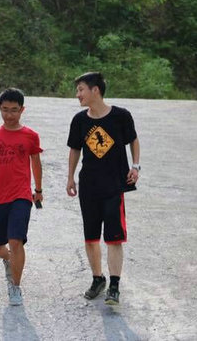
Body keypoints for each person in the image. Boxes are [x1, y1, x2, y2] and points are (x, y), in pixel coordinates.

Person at [66, 72, 140, 305]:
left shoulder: (121, 116)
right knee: (90, 238)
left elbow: (133, 140)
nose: (78, 94)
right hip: (89, 185)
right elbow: (75, 149)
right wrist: (70, 178)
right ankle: (98, 279)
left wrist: (135, 166)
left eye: (81, 89)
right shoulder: (80, 120)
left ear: (95, 90)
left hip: (114, 185)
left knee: (114, 238)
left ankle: (114, 285)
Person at [0, 88, 43, 306]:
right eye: (5, 109)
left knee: (16, 240)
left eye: (14, 110)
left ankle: (15, 286)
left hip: (21, 195)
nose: (9, 115)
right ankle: (9, 260)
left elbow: (36, 163)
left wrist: (38, 190)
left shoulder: (30, 135)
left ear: (22, 110)